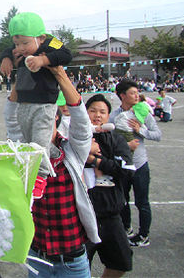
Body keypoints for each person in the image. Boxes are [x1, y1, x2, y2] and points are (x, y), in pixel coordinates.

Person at [27, 65, 100, 278]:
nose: (38, 130)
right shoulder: (24, 155)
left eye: (44, 123)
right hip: (37, 257)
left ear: (56, 122)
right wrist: (22, 74)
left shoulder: (72, 152)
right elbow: (13, 116)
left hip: (71, 259)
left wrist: (59, 73)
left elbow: (81, 122)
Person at [0, 12, 73, 178]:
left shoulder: (49, 42)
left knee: (39, 143)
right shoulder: (20, 49)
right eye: (17, 43)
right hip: (23, 104)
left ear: (40, 37)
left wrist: (43, 60)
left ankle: (40, 176)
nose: (20, 48)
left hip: (44, 105)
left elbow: (66, 54)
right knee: (29, 142)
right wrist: (6, 58)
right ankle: (54, 153)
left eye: (25, 43)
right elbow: (9, 50)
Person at [85, 94, 134, 278]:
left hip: (111, 215)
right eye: (92, 111)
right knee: (79, 265)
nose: (97, 115)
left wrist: (95, 161)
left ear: (108, 116)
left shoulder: (117, 140)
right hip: (84, 216)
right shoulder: (77, 139)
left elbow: (127, 171)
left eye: (102, 112)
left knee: (121, 262)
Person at [109, 79, 161, 247]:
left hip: (140, 165)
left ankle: (144, 235)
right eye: (132, 93)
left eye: (137, 92)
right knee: (122, 199)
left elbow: (158, 135)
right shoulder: (114, 115)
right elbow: (109, 139)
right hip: (122, 165)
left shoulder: (143, 112)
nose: (137, 95)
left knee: (142, 202)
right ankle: (126, 228)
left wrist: (140, 131)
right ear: (122, 96)